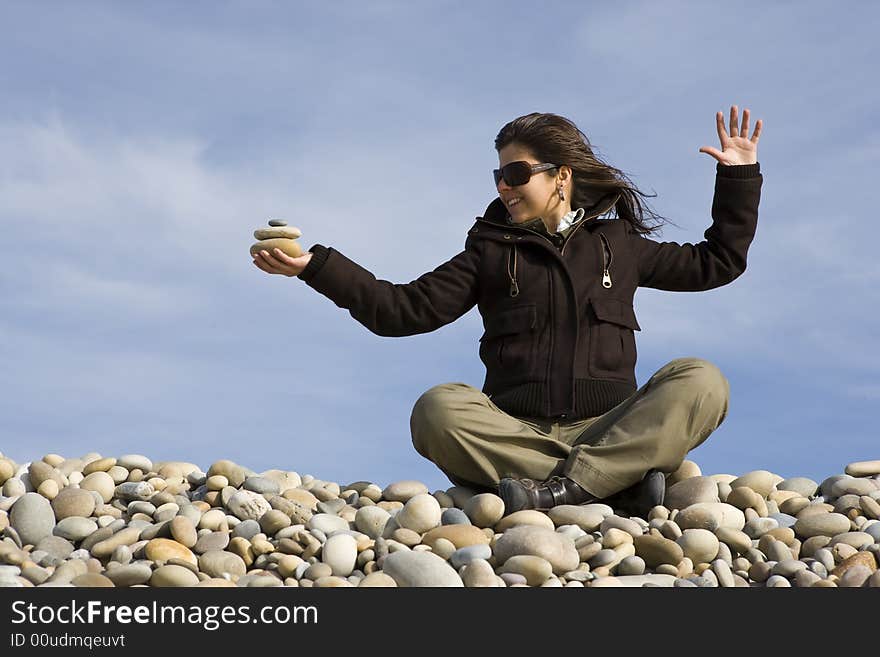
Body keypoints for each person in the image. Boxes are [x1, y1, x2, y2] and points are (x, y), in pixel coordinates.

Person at [252, 106, 763, 518]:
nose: (504, 186)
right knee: (438, 408)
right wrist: (314, 267)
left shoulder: (617, 244)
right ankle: (611, 484)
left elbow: (716, 262)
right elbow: (400, 311)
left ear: (561, 177)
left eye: (516, 173)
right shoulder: (489, 251)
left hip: (610, 426)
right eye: (499, 175)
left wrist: (738, 176)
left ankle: (560, 488)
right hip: (516, 433)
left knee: (701, 379)